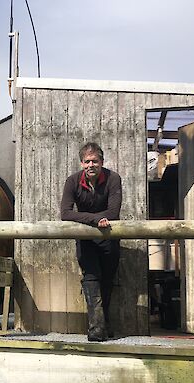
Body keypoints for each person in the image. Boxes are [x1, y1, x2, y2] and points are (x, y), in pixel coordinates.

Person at [60, 142, 122, 341]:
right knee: (91, 278)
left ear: (102, 162)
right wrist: (95, 219)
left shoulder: (113, 179)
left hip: (108, 237)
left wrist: (97, 219)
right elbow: (65, 213)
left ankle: (104, 325)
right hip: (86, 237)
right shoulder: (72, 181)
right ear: (81, 163)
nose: (91, 165)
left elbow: (113, 212)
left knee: (107, 281)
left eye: (95, 161)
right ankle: (96, 330)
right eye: (87, 161)